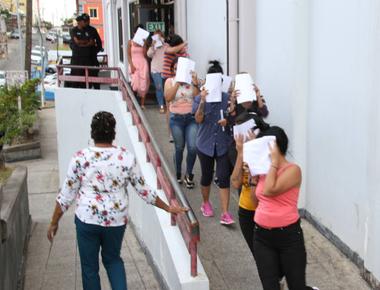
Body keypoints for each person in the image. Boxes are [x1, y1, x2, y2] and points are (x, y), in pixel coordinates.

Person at [47, 111, 188, 290]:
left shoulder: (80, 157)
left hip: (87, 220)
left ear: (92, 133)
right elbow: (144, 190)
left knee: (89, 268)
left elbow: (66, 196)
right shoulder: (125, 157)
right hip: (116, 221)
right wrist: (168, 208)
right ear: (113, 133)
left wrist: (54, 223)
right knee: (113, 260)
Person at [252, 126, 318, 290]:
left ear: (275, 147)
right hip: (262, 236)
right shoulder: (264, 171)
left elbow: (269, 190)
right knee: (270, 286)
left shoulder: (293, 170)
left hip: (288, 237)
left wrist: (274, 163)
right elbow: (256, 199)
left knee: (296, 286)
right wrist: (253, 178)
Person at [192, 60, 235, 225]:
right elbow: (198, 119)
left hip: (223, 143)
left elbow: (234, 119)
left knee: (223, 178)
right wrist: (203, 100)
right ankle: (205, 203)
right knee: (206, 176)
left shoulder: (227, 99)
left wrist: (229, 119)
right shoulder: (199, 98)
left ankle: (225, 213)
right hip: (205, 144)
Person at [231, 111, 270, 255]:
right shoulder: (241, 152)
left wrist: (256, 152)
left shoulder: (268, 152)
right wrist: (240, 154)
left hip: (265, 210)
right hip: (246, 210)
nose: (239, 138)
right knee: (257, 254)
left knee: (268, 254)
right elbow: (235, 183)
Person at [164, 57, 199, 188]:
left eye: (180, 69)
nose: (177, 71)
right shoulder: (170, 81)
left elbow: (197, 98)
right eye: (175, 69)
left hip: (191, 118)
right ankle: (178, 172)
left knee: (193, 147)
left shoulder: (192, 81)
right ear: (172, 70)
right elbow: (168, 97)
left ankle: (189, 174)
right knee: (179, 148)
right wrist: (177, 83)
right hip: (176, 118)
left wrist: (195, 84)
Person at [68, 15, 96, 88]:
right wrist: (86, 43)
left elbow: (92, 42)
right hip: (76, 59)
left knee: (87, 81)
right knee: (75, 80)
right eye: (84, 21)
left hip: (87, 59)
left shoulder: (88, 30)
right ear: (79, 22)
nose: (86, 23)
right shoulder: (73, 30)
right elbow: (77, 42)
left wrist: (82, 44)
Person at [128, 25, 150, 109]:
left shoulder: (144, 42)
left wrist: (144, 44)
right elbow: (128, 55)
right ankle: (133, 102)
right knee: (135, 84)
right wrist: (131, 65)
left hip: (143, 63)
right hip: (134, 63)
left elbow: (145, 55)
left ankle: (142, 104)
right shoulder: (130, 42)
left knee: (143, 83)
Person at [147, 30, 167, 113]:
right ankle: (161, 105)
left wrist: (162, 43)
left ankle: (168, 105)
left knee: (166, 89)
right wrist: (153, 46)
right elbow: (149, 55)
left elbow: (171, 53)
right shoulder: (153, 47)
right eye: (156, 37)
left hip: (165, 70)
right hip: (155, 70)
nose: (158, 38)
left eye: (160, 36)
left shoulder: (166, 46)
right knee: (159, 88)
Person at [82, 13, 103, 90]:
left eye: (87, 21)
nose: (86, 22)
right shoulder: (78, 30)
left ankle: (98, 95)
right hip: (82, 59)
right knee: (83, 82)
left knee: (95, 79)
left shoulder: (93, 30)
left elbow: (99, 44)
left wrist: (94, 51)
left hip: (92, 59)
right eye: (84, 21)